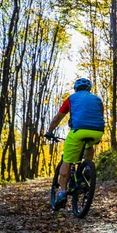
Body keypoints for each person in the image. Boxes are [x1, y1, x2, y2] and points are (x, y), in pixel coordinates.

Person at [45, 78, 105, 210]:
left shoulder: (71, 99)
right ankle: (88, 168)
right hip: (98, 131)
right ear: (89, 88)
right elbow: (100, 115)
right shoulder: (97, 100)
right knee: (88, 145)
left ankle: (62, 193)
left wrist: (49, 131)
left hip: (78, 131)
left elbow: (57, 118)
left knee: (67, 160)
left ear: (76, 88)